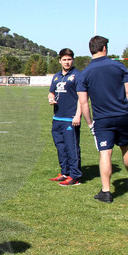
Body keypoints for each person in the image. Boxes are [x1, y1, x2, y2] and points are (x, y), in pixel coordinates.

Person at [77, 36, 128, 203]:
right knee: (126, 146)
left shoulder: (85, 73)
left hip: (102, 119)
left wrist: (90, 123)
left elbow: (83, 102)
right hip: (122, 115)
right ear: (104, 48)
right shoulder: (119, 66)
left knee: (105, 153)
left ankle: (106, 191)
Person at [48, 48, 82, 186]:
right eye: (64, 59)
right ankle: (64, 172)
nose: (67, 62)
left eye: (69, 59)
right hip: (57, 118)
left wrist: (78, 115)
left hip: (70, 118)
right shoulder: (56, 77)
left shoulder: (77, 76)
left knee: (72, 148)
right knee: (61, 148)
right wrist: (50, 99)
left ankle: (75, 176)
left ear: (72, 60)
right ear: (60, 61)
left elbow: (82, 97)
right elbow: (51, 93)